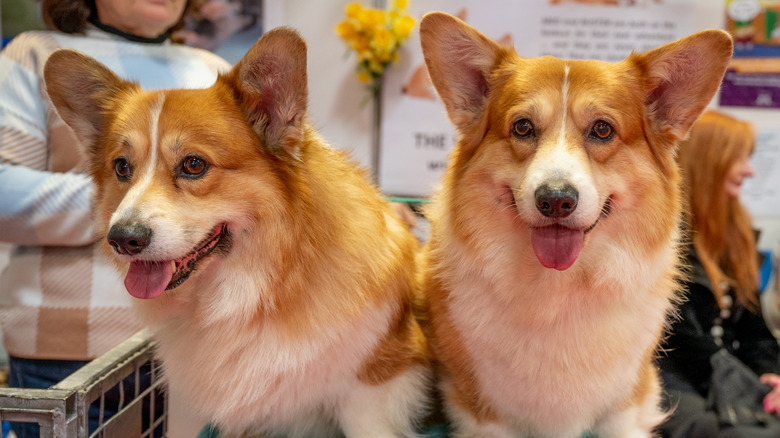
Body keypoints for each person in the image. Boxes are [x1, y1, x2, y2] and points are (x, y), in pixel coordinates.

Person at [0, 0, 230, 436]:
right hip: (69, 355)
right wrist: (134, 211)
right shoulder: (34, 53)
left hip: (204, 345)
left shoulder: (213, 71)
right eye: (124, 169)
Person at [657, 110, 780, 438]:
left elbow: (755, 330)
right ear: (710, 160)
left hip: (725, 370)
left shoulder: (736, 234)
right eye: (740, 158)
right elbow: (678, 337)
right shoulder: (662, 237)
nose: (750, 171)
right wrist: (740, 381)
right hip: (673, 377)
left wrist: (768, 373)